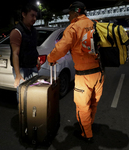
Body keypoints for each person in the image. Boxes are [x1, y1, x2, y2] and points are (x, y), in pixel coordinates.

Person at [47, 1, 104, 143]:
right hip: (99, 74)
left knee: (82, 107)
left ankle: (87, 134)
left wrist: (50, 58)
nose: (68, 17)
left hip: (84, 77)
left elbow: (61, 48)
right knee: (93, 104)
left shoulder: (73, 28)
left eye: (69, 13)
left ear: (75, 12)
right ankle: (88, 125)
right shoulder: (95, 24)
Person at [10, 3, 40, 103]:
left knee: (34, 91)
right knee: (22, 93)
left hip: (32, 66)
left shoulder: (33, 31)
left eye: (35, 16)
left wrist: (37, 60)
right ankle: (23, 115)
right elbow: (15, 54)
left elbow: (33, 47)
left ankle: (33, 114)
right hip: (22, 68)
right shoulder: (17, 31)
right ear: (24, 14)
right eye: (32, 15)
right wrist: (18, 74)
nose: (34, 18)